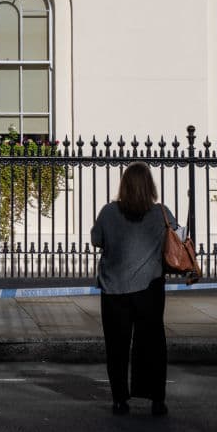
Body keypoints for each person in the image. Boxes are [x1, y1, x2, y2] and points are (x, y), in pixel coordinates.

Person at [91, 161, 176, 417]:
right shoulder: (161, 213)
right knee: (152, 344)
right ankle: (156, 399)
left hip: (114, 289)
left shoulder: (108, 212)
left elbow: (97, 240)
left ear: (124, 185)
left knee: (116, 346)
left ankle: (120, 399)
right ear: (150, 186)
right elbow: (177, 238)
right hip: (149, 288)